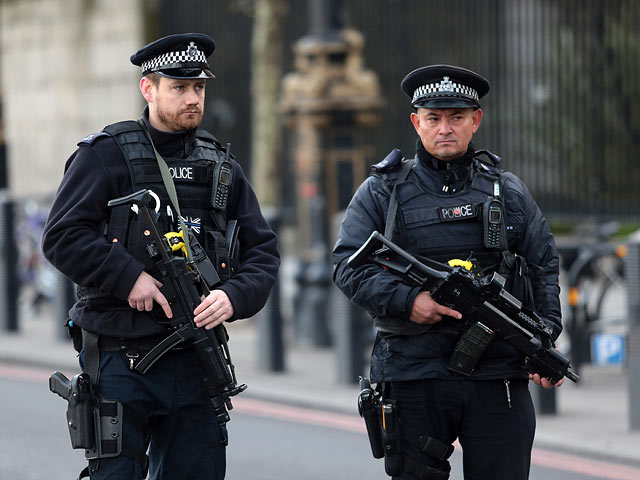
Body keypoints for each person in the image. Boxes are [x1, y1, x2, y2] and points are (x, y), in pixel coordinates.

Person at [42, 33, 280, 480]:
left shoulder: (219, 164)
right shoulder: (106, 154)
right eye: (179, 87)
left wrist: (233, 296)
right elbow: (62, 236)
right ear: (148, 89)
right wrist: (128, 276)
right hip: (121, 356)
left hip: (196, 360)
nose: (192, 98)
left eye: (199, 88)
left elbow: (262, 251)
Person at [332, 64, 563, 480]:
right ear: (416, 122)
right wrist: (409, 301)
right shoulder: (382, 191)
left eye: (457, 117)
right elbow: (349, 266)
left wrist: (543, 338)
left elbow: (542, 263)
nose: (445, 128)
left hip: (497, 373)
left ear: (476, 120)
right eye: (434, 118)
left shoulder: (508, 191)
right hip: (413, 370)